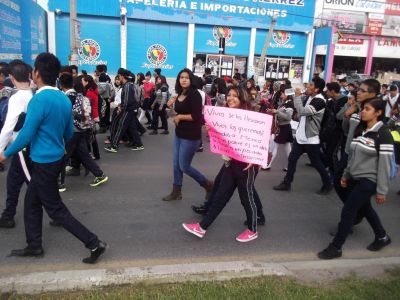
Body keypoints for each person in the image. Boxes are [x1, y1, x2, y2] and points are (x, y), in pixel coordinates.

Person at [0, 53, 106, 263]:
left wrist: (5, 154)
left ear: (36, 74)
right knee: (31, 202)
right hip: (56, 159)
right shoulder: (62, 98)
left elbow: (26, 135)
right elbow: (68, 132)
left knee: (56, 210)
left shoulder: (39, 100)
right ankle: (34, 245)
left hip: (43, 162)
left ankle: (94, 243)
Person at [182, 86, 263, 242]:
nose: (230, 98)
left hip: (246, 165)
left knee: (246, 197)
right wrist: (211, 129)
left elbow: (260, 138)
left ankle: (253, 230)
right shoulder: (227, 116)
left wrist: (254, 158)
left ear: (242, 99)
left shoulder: (251, 117)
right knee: (220, 197)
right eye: (229, 95)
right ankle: (202, 227)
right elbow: (224, 139)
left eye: (235, 96)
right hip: (230, 162)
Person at [318, 99, 393, 259]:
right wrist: (345, 175)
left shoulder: (383, 134)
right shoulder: (362, 130)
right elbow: (352, 157)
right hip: (354, 178)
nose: (362, 111)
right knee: (366, 209)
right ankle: (382, 236)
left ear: (378, 113)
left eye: (367, 109)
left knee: (348, 211)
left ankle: (336, 247)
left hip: (369, 181)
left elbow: (385, 165)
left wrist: (381, 191)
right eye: (362, 109)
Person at [273, 77, 332, 195]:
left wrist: (298, 96)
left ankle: (327, 184)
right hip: (300, 137)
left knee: (316, 163)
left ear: (317, 89)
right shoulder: (310, 98)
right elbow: (300, 112)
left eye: (310, 85)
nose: (307, 86)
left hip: (311, 139)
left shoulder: (320, 101)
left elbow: (304, 111)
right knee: (292, 159)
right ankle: (287, 183)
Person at [162, 68, 213, 201]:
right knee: (175, 164)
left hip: (191, 136)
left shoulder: (194, 94)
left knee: (184, 166)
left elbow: (196, 116)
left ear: (191, 80)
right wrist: (170, 106)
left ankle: (207, 184)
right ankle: (176, 191)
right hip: (179, 134)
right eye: (181, 77)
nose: (184, 79)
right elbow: (175, 114)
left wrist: (180, 117)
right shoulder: (179, 94)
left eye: (186, 77)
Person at [58, 73, 108, 191]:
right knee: (84, 154)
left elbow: (63, 117)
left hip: (71, 131)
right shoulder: (82, 96)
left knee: (63, 156)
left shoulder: (65, 98)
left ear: (61, 85)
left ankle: (60, 183)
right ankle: (99, 174)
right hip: (83, 129)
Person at [0, 60, 32, 228]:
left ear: (11, 78)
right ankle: (8, 215)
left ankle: (57, 212)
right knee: (13, 181)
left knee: (35, 186)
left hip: (21, 148)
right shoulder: (34, 93)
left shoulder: (17, 98)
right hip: (25, 147)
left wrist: (1, 151)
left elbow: (8, 127)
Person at [105, 68, 144, 152]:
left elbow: (126, 101)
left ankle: (114, 146)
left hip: (128, 110)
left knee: (120, 127)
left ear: (122, 76)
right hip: (132, 109)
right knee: (132, 127)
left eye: (119, 76)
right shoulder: (129, 85)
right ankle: (139, 144)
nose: (118, 77)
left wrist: (121, 108)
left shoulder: (127, 86)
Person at [267, 91, 294, 170]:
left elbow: (288, 117)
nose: (281, 95)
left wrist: (277, 111)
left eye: (282, 94)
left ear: (288, 94)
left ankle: (269, 164)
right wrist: (273, 111)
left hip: (284, 127)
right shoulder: (284, 103)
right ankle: (290, 166)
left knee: (275, 146)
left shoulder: (289, 103)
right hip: (283, 127)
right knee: (288, 149)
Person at [82, 75, 100, 160]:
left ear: (87, 82)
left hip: (91, 116)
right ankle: (96, 154)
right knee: (92, 137)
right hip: (95, 115)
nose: (82, 83)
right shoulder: (94, 90)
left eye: (83, 81)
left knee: (88, 136)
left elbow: (87, 107)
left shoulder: (89, 92)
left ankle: (91, 154)